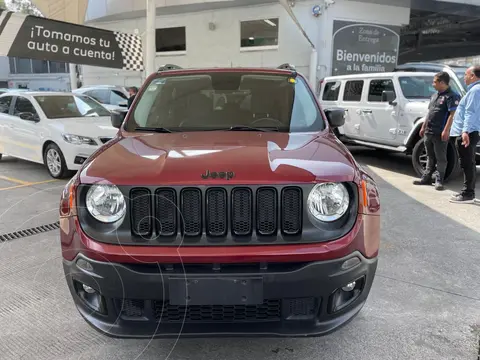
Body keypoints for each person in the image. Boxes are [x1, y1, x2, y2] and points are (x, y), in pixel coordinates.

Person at [413, 72, 460, 190]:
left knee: (441, 158)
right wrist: (424, 126)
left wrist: (446, 130)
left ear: (442, 83)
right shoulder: (434, 95)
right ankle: (426, 178)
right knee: (430, 156)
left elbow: (452, 115)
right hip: (429, 131)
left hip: (440, 132)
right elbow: (429, 112)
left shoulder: (452, 96)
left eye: (435, 82)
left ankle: (439, 180)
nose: (432, 84)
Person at [449, 66, 480, 204]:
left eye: (466, 75)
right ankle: (469, 192)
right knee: (469, 163)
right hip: (467, 131)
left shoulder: (475, 91)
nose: (464, 77)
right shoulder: (474, 90)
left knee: (467, 163)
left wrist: (465, 131)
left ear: (473, 76)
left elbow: (470, 112)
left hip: (467, 133)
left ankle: (468, 194)